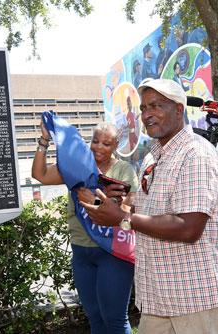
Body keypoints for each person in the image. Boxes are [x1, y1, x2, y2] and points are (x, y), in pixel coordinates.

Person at [81, 79, 218, 333]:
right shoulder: (152, 157)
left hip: (197, 297)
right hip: (158, 298)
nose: (147, 114)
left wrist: (121, 218)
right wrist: (119, 206)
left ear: (179, 109)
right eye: (143, 108)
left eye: (156, 106)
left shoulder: (196, 153)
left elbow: (188, 227)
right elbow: (150, 217)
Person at [31, 122, 139, 334]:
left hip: (112, 252)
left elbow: (125, 215)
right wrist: (44, 140)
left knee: (114, 320)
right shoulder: (77, 165)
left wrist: (96, 201)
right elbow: (40, 174)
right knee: (95, 318)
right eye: (95, 141)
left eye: (106, 143)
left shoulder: (124, 171)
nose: (98, 147)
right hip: (81, 251)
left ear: (116, 145)